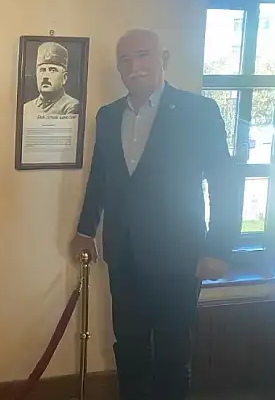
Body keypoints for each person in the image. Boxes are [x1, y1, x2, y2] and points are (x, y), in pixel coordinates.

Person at [71, 29, 235, 400]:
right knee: (128, 346)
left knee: (172, 350)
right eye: (125, 60)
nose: (134, 66)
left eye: (143, 55)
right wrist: (85, 230)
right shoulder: (108, 115)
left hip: (179, 255)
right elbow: (100, 177)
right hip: (123, 254)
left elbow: (225, 184)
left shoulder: (199, 112)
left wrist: (218, 249)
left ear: (164, 58)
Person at [23, 41, 80, 116]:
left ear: (64, 78)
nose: (45, 76)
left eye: (52, 70)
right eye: (42, 70)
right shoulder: (26, 108)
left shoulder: (71, 106)